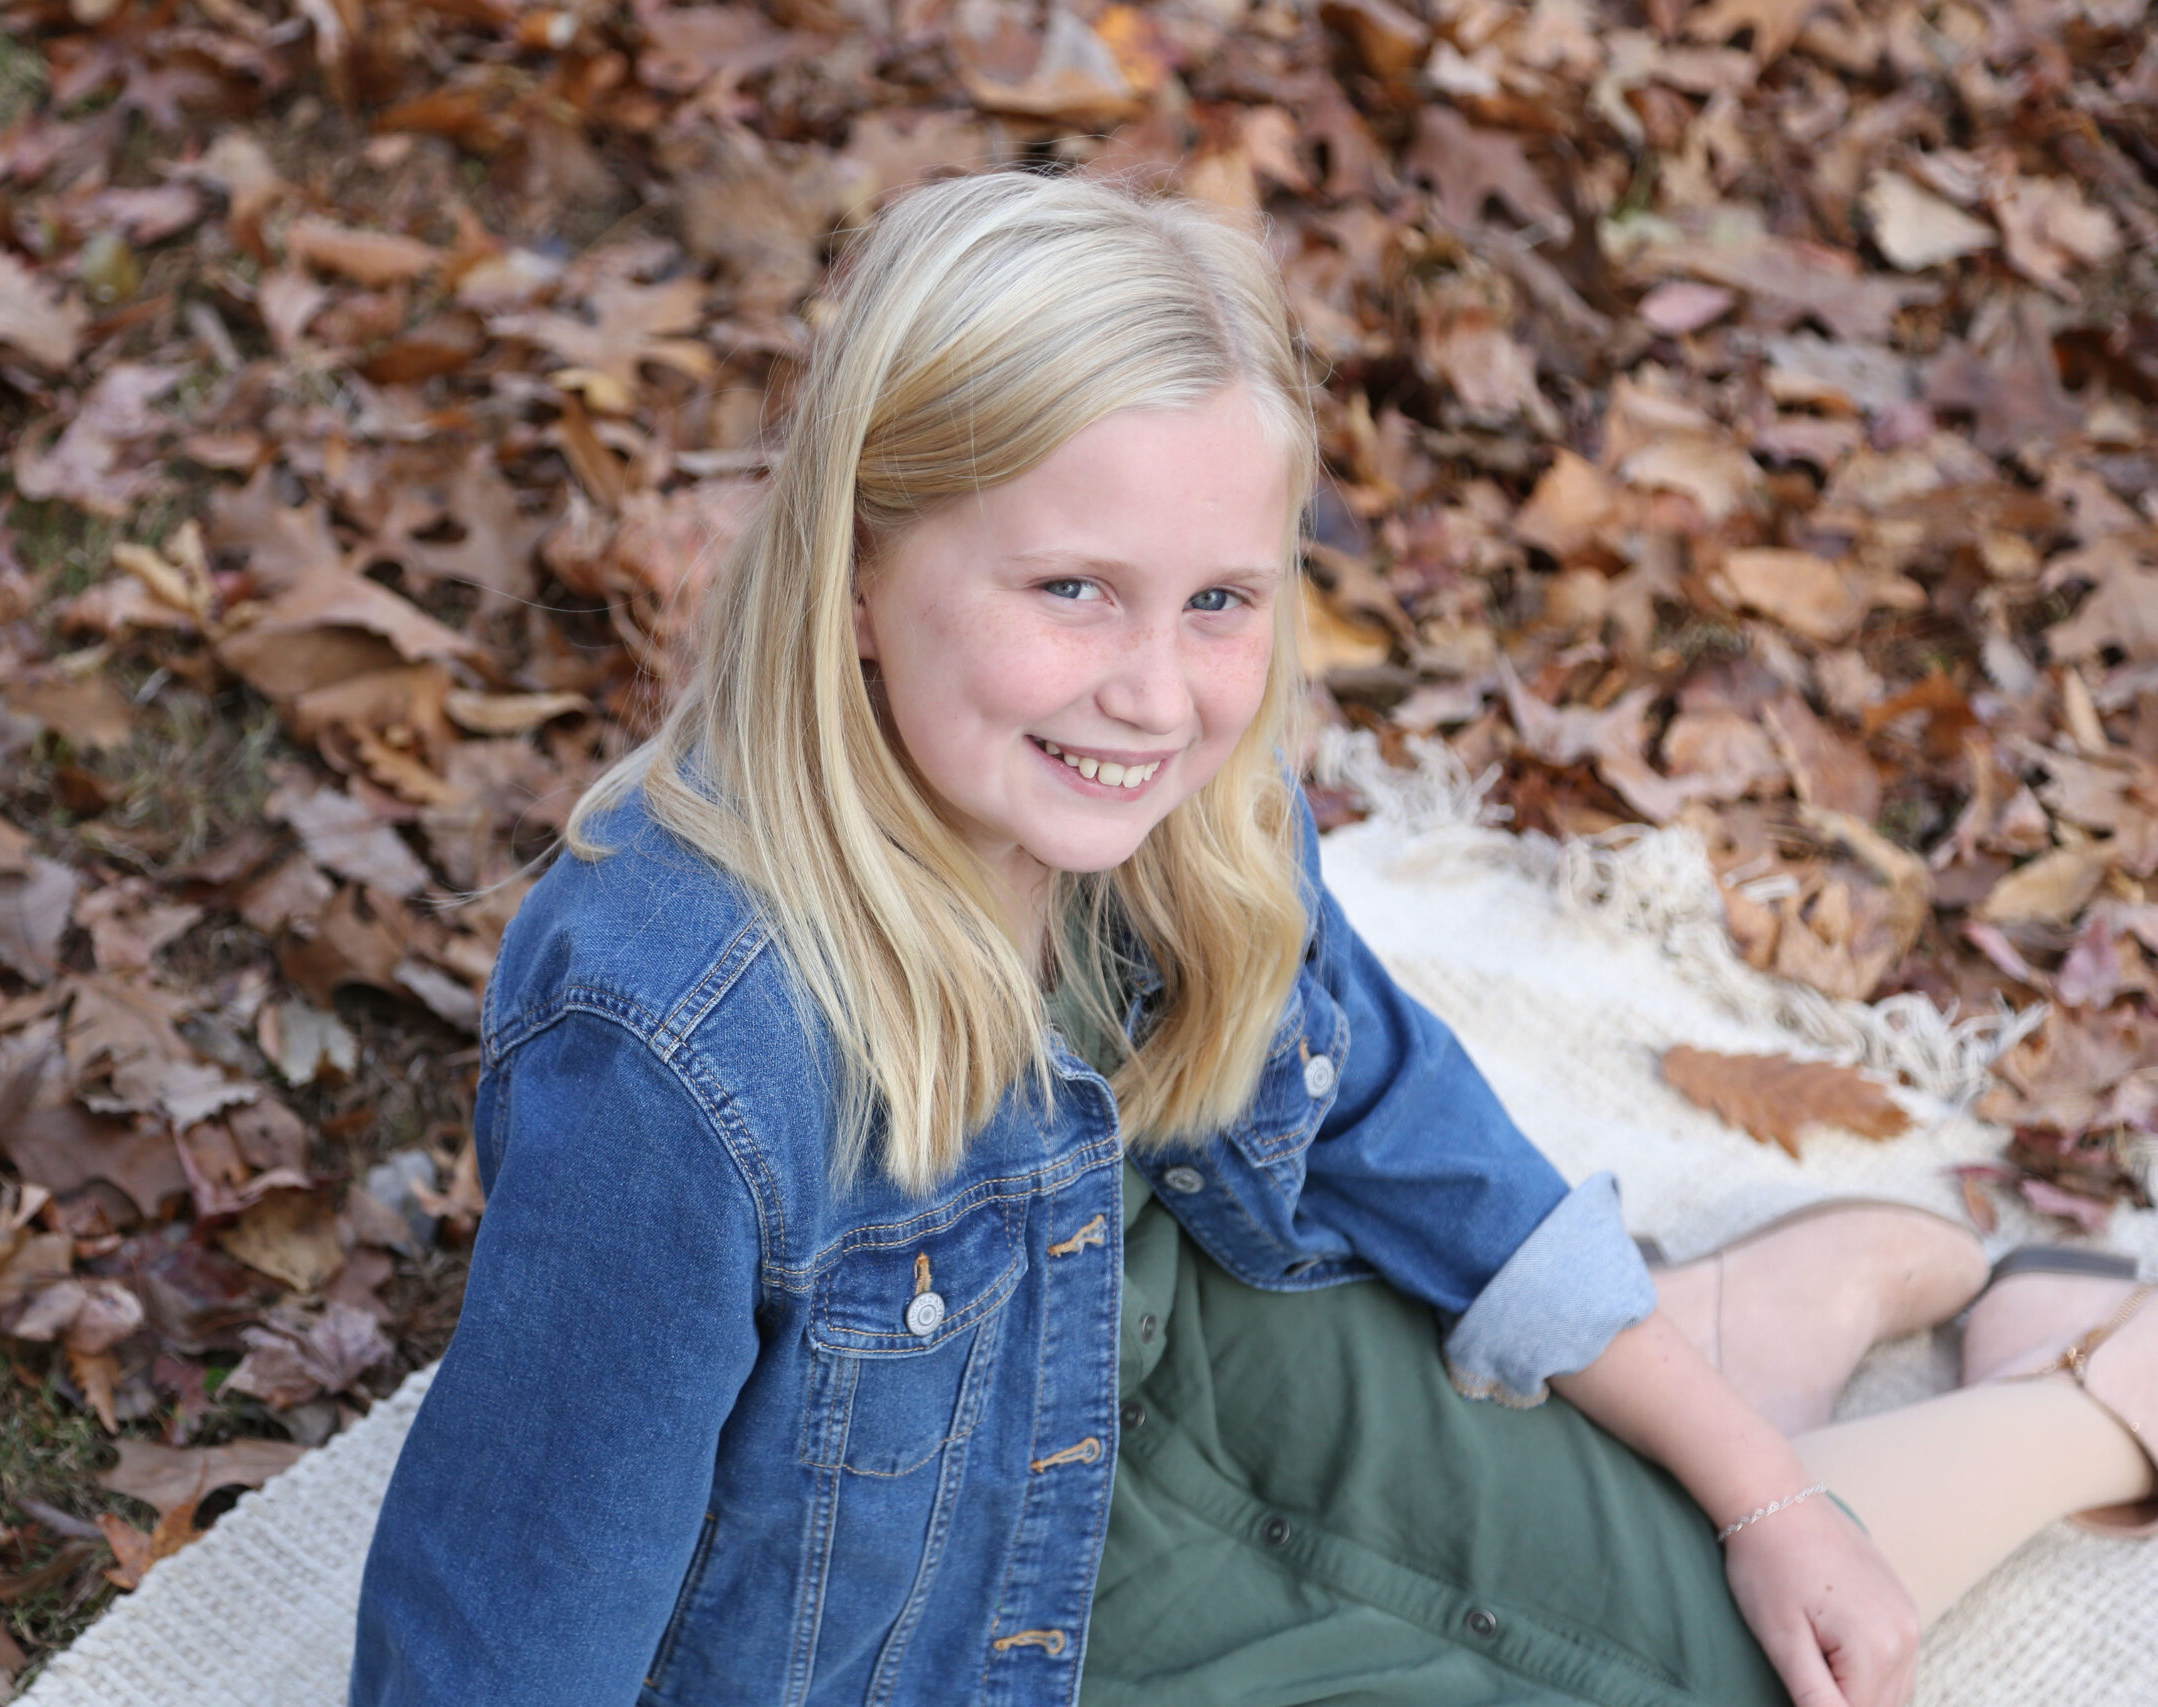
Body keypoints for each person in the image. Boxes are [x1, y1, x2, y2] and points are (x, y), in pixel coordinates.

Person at [348, 168, 2158, 1707]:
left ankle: (2007, 1382)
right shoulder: (682, 1043)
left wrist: (1760, 1490)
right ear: (859, 579)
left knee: (1749, 1627)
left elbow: (1403, 1127)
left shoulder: (1184, 819)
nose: (1155, 695)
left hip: (1187, 1350)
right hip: (925, 1596)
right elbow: (513, 1617)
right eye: (1073, 589)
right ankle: (1806, 1320)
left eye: (1220, 600)